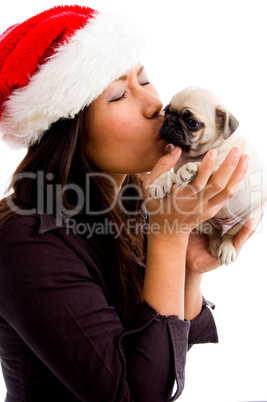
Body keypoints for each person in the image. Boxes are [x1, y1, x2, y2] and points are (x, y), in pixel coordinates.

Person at [0, 5, 255, 402]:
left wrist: (187, 268)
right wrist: (169, 238)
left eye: (145, 79)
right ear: (69, 131)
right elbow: (136, 393)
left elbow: (165, 360)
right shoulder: (27, 241)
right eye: (119, 95)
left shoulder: (137, 203)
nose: (155, 104)